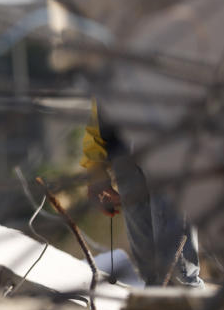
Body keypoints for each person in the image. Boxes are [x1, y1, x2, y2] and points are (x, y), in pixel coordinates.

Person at [82, 100, 203, 286]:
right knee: (151, 272)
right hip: (121, 143)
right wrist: (95, 166)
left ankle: (192, 309)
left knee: (179, 273)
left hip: (171, 134)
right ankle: (158, 309)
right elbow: (103, 96)